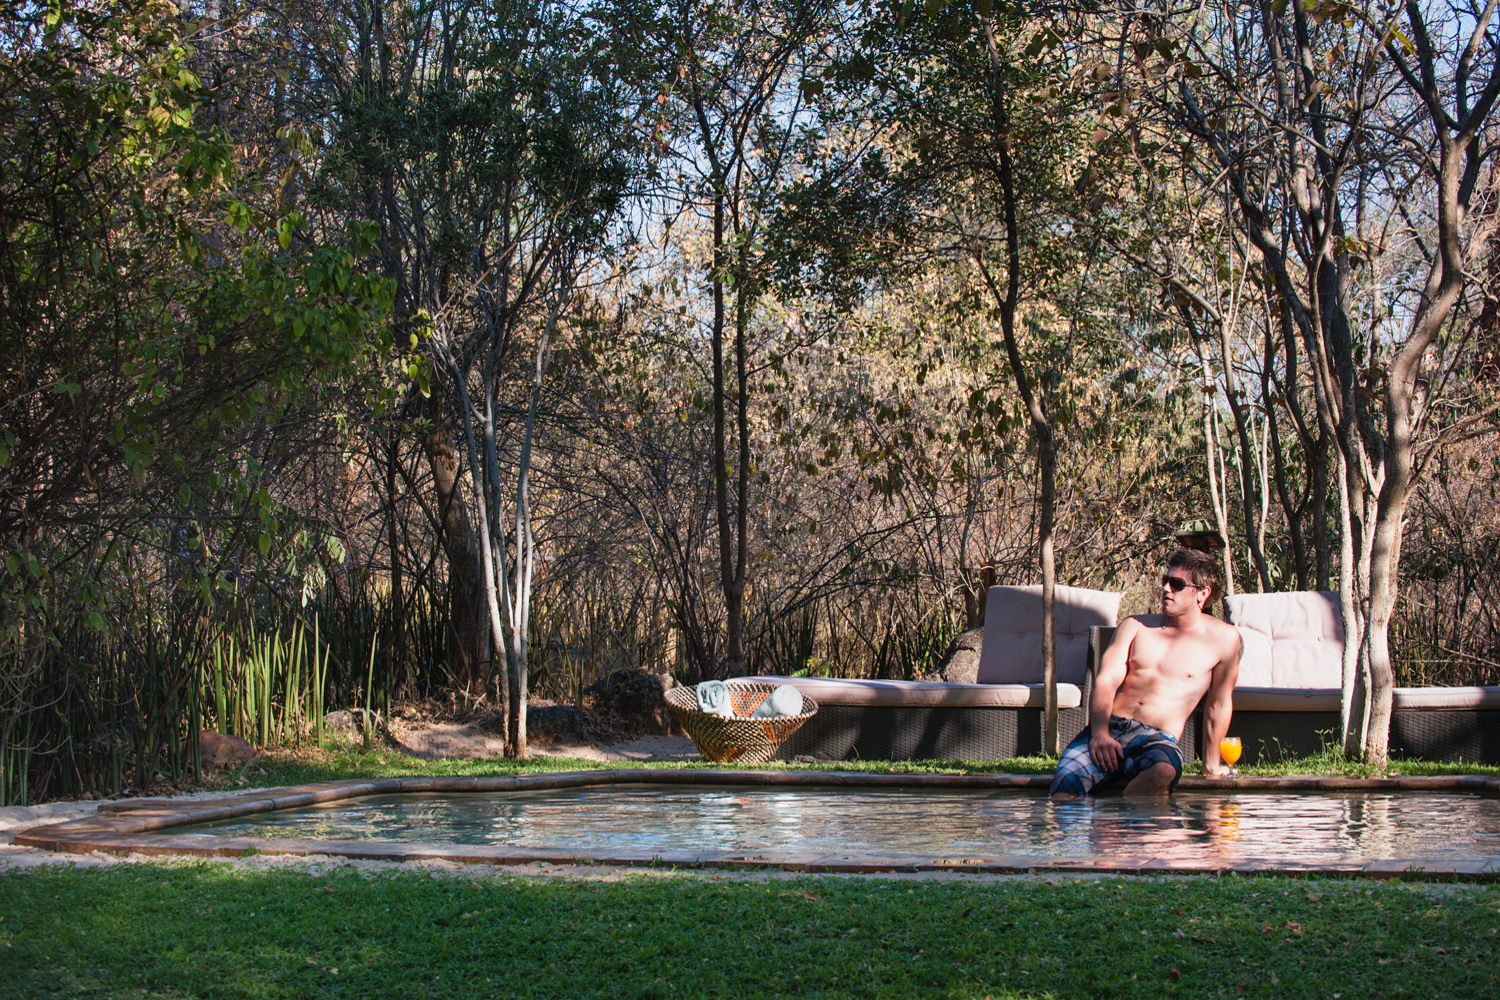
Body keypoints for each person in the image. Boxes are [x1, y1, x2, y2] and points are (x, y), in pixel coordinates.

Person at [1050, 549, 1241, 799]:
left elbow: (1218, 703)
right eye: (1165, 580)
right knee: (1063, 792)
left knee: (1163, 770)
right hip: (1111, 728)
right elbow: (1105, 681)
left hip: (1157, 739)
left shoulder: (1224, 639)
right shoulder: (1135, 626)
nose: (1166, 588)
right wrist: (1099, 734)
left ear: (1202, 593)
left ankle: (1120, 819)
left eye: (1176, 584)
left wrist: (1212, 764)